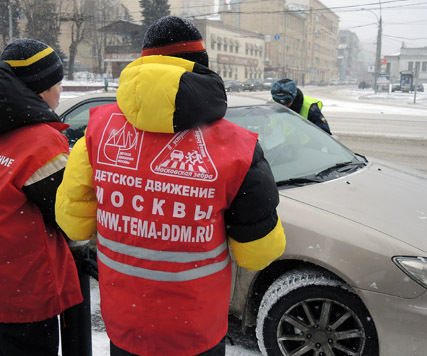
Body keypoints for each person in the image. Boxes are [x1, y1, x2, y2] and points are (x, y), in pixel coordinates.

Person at [56, 16, 286, 356]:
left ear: (144, 62)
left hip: (126, 323)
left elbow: (73, 223)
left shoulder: (98, 130)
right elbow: (258, 253)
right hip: (195, 328)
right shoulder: (238, 146)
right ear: (201, 67)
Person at [0, 39, 83, 355]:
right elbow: (70, 218)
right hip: (24, 294)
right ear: (39, 90)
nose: (60, 91)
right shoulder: (40, 145)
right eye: (57, 83)